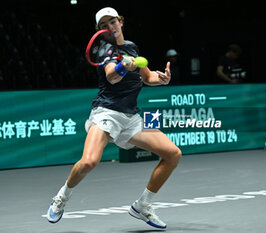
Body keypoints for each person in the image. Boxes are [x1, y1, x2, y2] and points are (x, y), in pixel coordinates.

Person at [46, 7, 181, 229]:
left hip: (131, 117)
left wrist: (161, 78)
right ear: (99, 31)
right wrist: (122, 65)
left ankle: (142, 206)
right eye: (104, 25)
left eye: (113, 22)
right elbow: (112, 76)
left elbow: (146, 77)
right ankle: (61, 197)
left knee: (173, 154)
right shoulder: (104, 50)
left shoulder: (132, 48)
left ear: (121, 22)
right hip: (106, 113)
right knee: (89, 161)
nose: (110, 27)